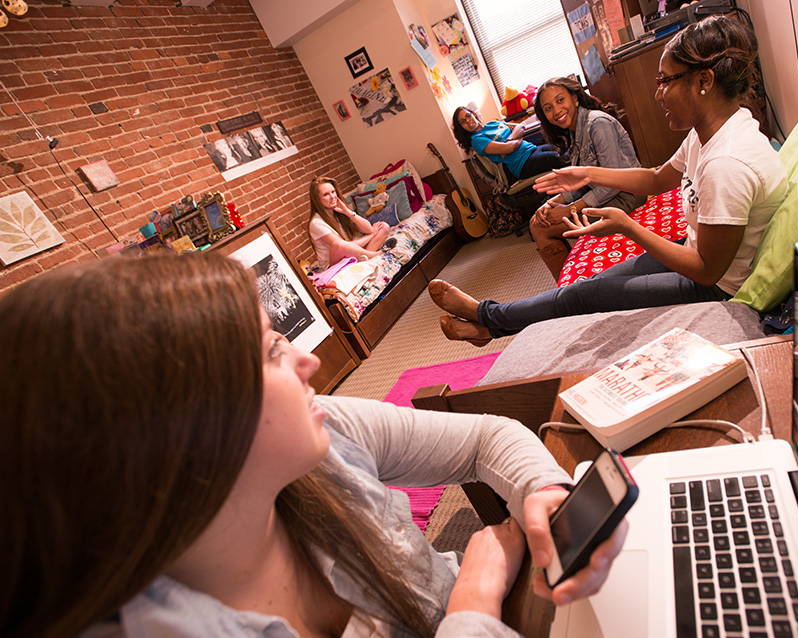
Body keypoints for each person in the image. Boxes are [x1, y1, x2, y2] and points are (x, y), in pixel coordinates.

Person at [0, 253, 627, 638]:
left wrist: (544, 489)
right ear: (181, 427)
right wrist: (475, 601)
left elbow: (485, 436)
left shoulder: (322, 429)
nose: (307, 360)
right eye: (273, 349)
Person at [429, 14, 788, 347]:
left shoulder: (727, 162)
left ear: (704, 81)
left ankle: (486, 317)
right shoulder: (710, 132)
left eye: (665, 80)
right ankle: (487, 326)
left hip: (714, 287)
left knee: (584, 295)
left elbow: (708, 272)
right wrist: (585, 174)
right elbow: (655, 178)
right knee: (590, 284)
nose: (658, 92)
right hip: (696, 253)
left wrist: (626, 226)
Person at [529, 76, 643, 278]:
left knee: (540, 229)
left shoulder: (597, 124)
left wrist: (571, 209)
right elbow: (581, 183)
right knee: (538, 219)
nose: (556, 111)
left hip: (627, 193)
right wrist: (550, 204)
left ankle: (569, 290)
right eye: (548, 108)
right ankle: (571, 283)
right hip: (607, 195)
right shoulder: (575, 132)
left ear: (574, 98)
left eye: (560, 100)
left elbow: (612, 183)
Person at [451, 106, 563, 184]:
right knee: (562, 159)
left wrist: (510, 139)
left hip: (531, 149)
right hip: (521, 163)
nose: (468, 121)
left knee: (563, 149)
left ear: (473, 114)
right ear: (461, 127)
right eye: (462, 122)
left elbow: (520, 127)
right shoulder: (477, 140)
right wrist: (515, 140)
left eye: (468, 116)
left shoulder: (492, 123)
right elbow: (510, 148)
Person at [307, 176, 392, 270]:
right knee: (338, 244)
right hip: (334, 264)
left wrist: (347, 212)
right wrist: (371, 236)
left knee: (384, 226)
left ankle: (364, 260)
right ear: (317, 199)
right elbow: (343, 247)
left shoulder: (338, 210)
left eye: (333, 192)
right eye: (326, 194)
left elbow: (368, 229)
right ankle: (375, 254)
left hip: (351, 254)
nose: (332, 196)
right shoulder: (316, 223)